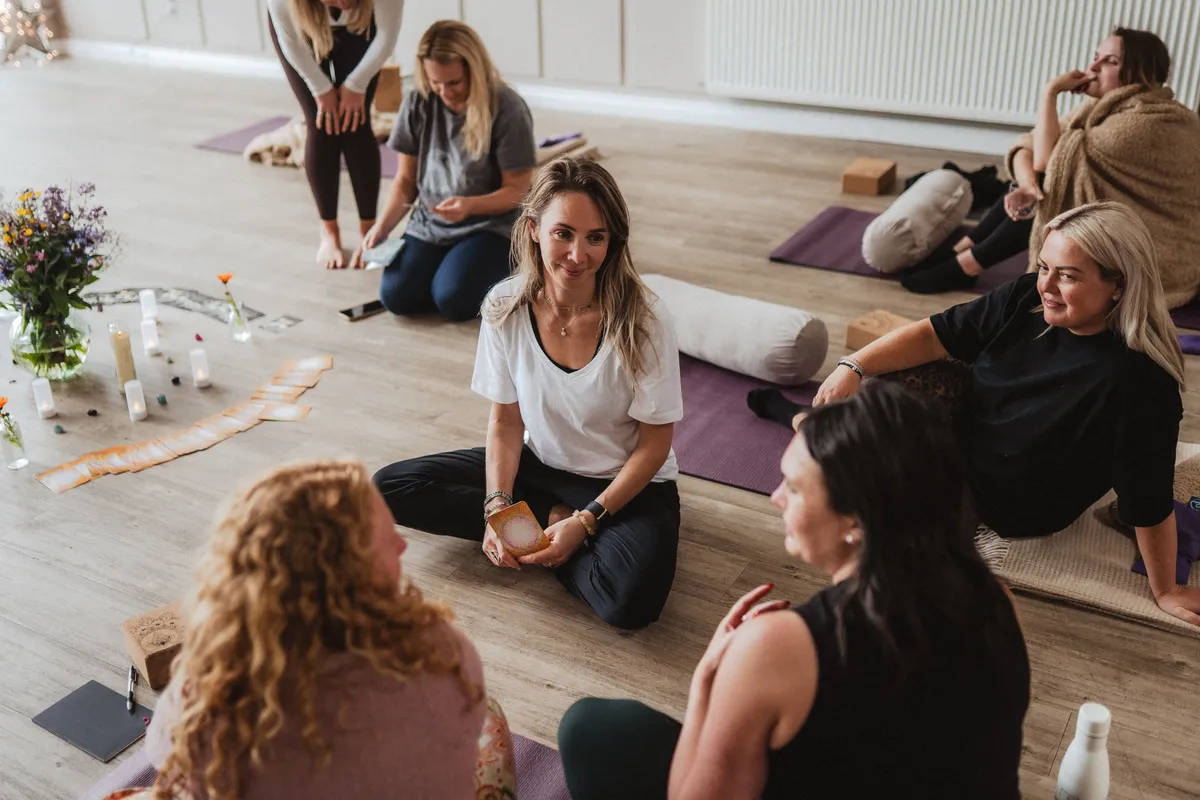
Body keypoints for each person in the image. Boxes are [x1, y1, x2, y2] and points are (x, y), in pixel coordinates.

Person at [558, 381, 1031, 799]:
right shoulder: (996, 602)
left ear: (855, 520)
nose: (775, 496)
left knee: (592, 730)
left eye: (796, 487)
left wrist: (707, 680)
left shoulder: (780, 647)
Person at [753, 202, 1200, 626]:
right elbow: (934, 335)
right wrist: (853, 366)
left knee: (877, 509)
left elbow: (1148, 500)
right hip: (971, 430)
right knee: (893, 386)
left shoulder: (1142, 382)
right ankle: (815, 423)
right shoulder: (1029, 297)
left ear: (1118, 284)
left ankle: (811, 426)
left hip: (1010, 496)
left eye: (1067, 276)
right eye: (1044, 267)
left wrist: (1167, 590)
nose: (1046, 285)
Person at [373, 156, 683, 630]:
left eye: (595, 238)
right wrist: (497, 506)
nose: (578, 255)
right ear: (534, 228)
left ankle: (553, 534)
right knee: (389, 487)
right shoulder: (503, 304)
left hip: (623, 483)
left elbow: (655, 445)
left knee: (632, 606)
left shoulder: (646, 320)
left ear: (612, 241)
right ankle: (546, 521)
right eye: (564, 233)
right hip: (540, 468)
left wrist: (586, 521)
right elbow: (505, 422)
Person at [143, 459, 488, 800]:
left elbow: (163, 758)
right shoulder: (442, 649)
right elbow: (470, 724)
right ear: (348, 571)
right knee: (492, 720)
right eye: (386, 539)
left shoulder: (207, 691)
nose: (403, 546)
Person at [902, 26, 1200, 304]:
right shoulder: (1103, 108)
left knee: (1054, 190)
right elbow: (1032, 144)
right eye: (1095, 57)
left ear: (1144, 72)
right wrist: (1028, 184)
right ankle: (963, 251)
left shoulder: (1146, 124)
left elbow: (1047, 160)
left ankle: (967, 262)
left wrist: (1050, 92)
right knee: (1039, 186)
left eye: (1109, 62)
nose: (1093, 68)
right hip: (1115, 219)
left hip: (1158, 252)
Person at [362, 20, 536, 321]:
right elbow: (405, 181)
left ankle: (507, 263)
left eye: (454, 83)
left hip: (490, 226)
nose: (445, 93)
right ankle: (449, 268)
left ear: (474, 70)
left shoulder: (508, 108)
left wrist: (471, 205)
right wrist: (383, 226)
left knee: (453, 300)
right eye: (435, 83)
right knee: (396, 297)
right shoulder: (418, 101)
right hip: (431, 224)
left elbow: (519, 191)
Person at [267, 0, 405, 270]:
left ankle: (369, 229)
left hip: (365, 25)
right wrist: (321, 89)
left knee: (356, 121)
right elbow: (292, 44)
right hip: (298, 34)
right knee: (322, 123)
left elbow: (387, 37)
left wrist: (356, 85)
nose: (343, 3)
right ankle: (329, 230)